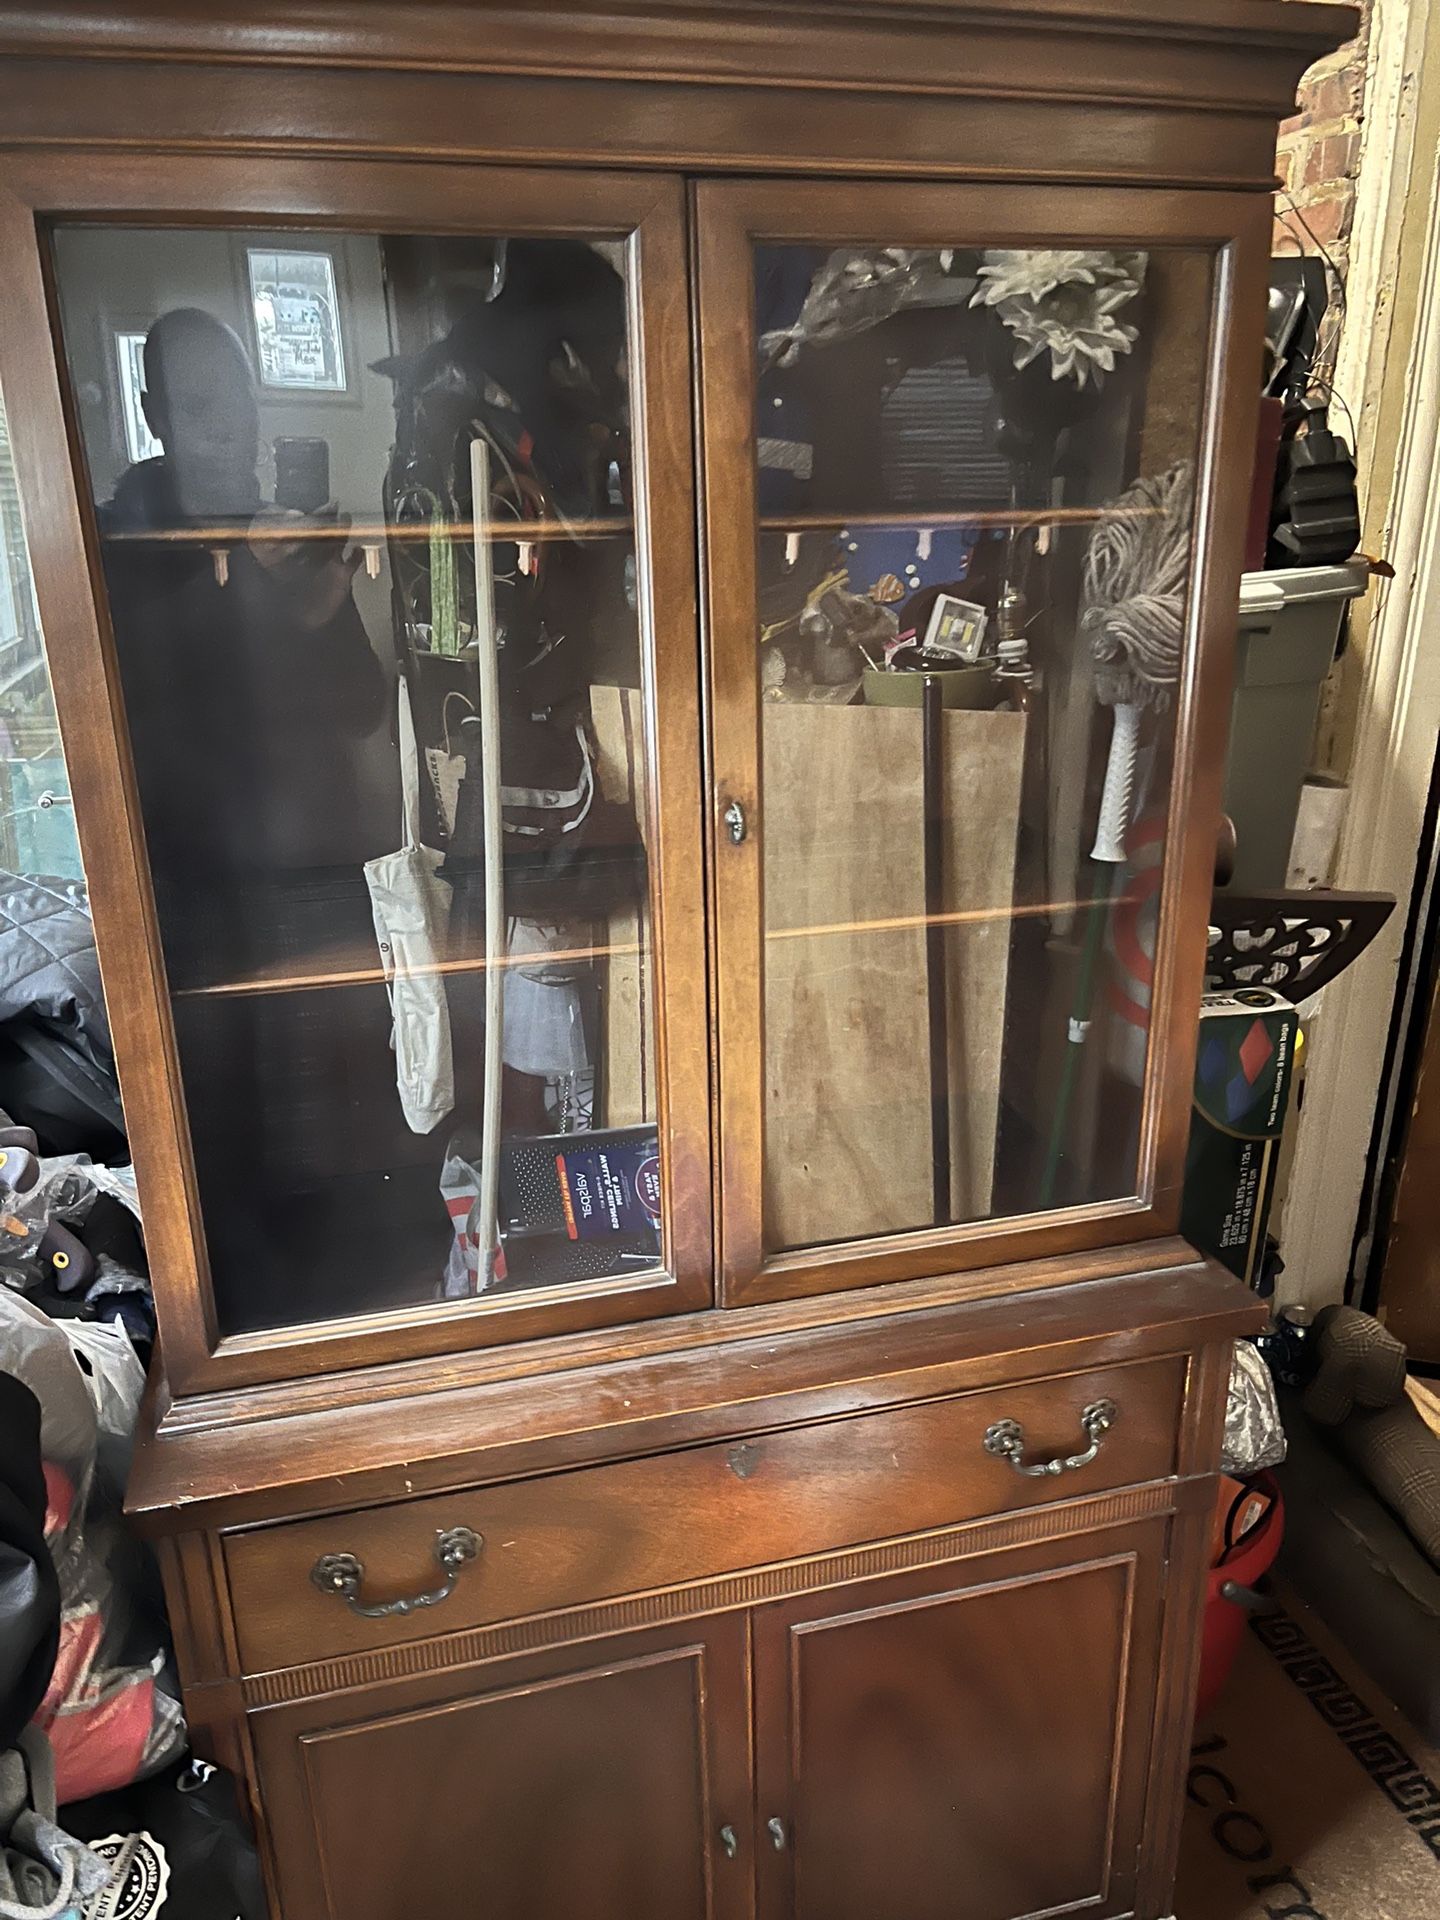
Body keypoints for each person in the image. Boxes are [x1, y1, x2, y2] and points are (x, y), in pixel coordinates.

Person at [99, 308, 396, 1329]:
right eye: (199, 409)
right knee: (226, 1131)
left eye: (238, 405)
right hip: (190, 889)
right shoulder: (115, 541)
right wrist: (253, 606)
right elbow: (138, 706)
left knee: (353, 1106)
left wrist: (315, 614)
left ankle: (375, 1315)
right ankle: (254, 1343)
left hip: (312, 873)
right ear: (154, 416)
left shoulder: (283, 534)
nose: (226, 430)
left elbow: (360, 703)